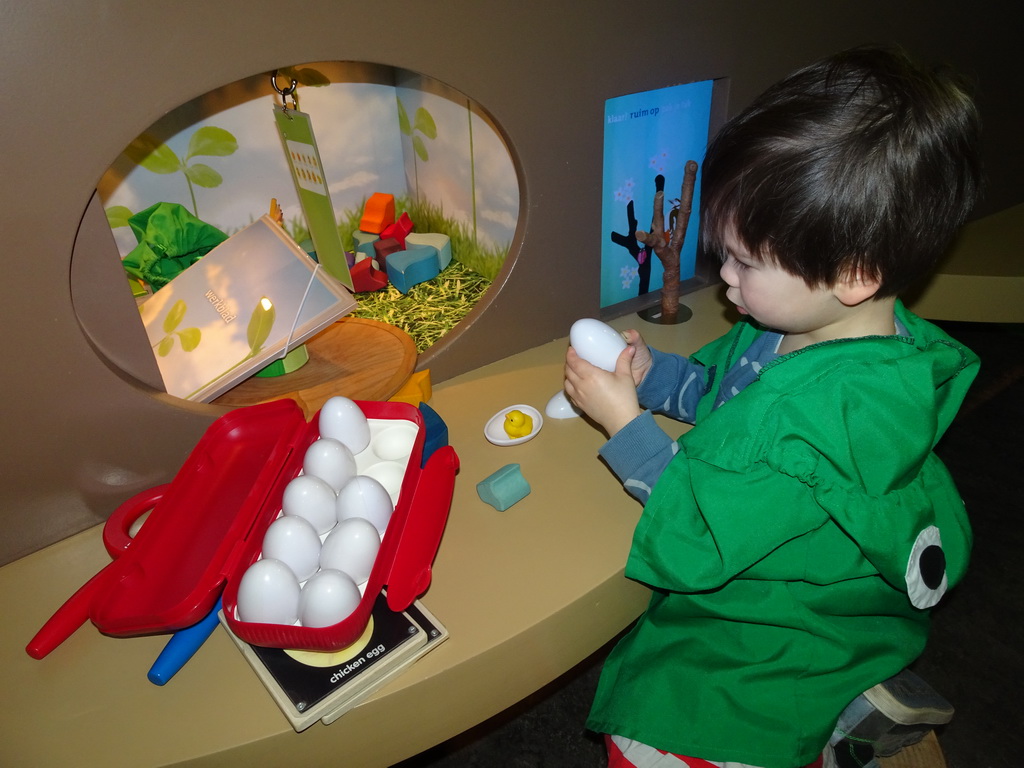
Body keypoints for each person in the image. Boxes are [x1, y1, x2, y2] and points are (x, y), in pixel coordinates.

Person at [563, 45, 982, 768]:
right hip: (833, 595)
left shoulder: (816, 425)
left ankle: (808, 719)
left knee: (657, 719)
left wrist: (623, 423)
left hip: (771, 620)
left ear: (853, 273)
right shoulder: (792, 329)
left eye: (745, 262)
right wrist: (654, 376)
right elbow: (721, 394)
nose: (721, 276)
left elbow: (696, 531)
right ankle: (847, 699)